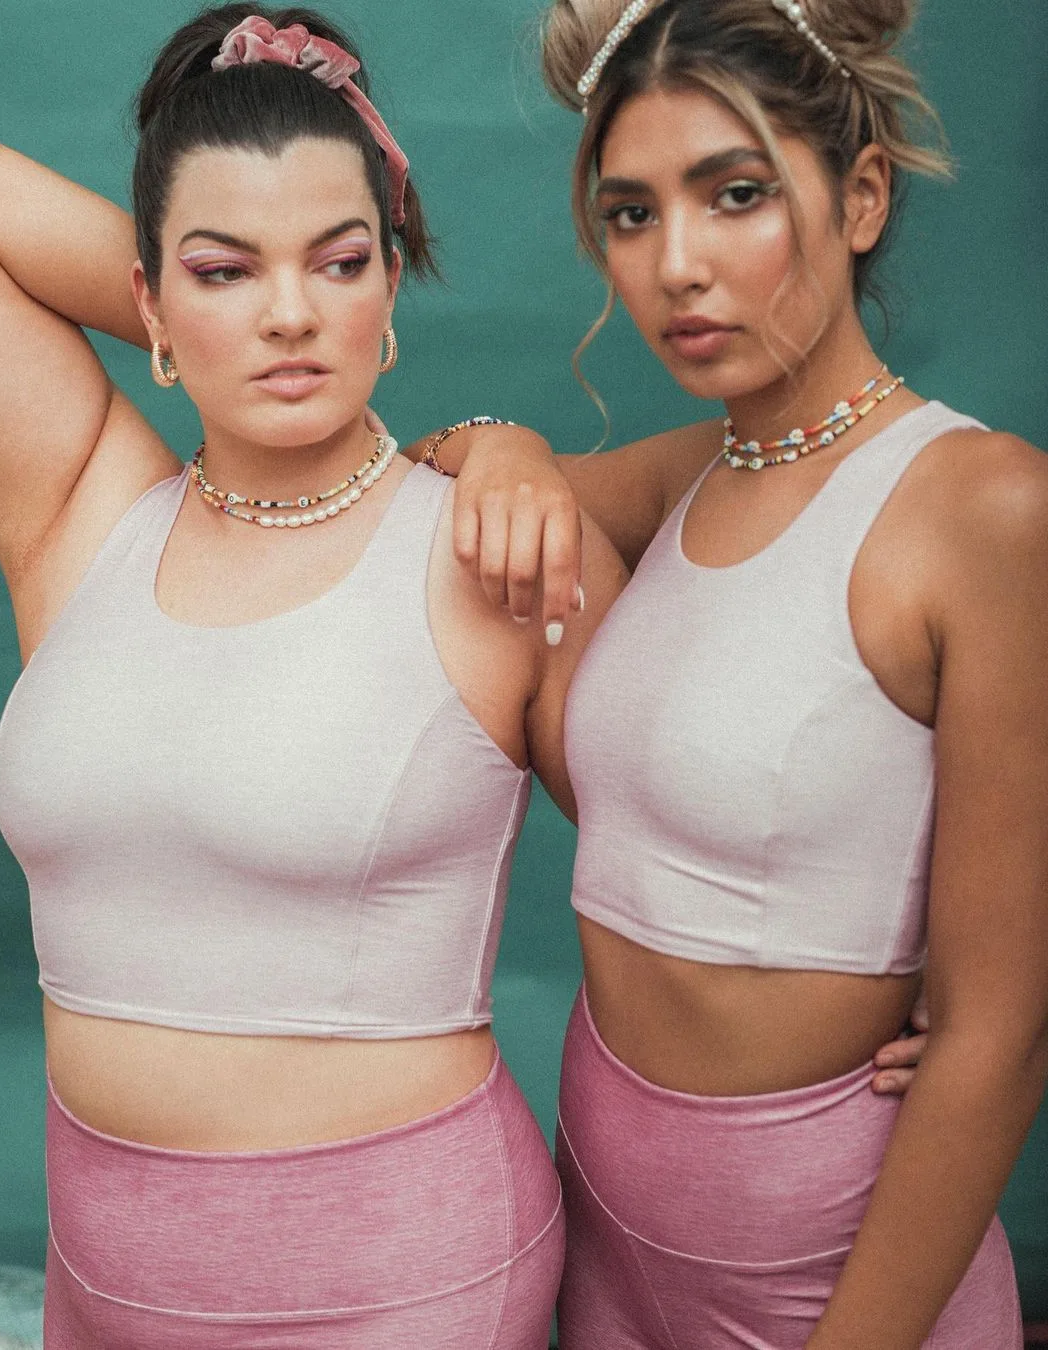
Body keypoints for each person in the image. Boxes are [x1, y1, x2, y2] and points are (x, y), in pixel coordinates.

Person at [0, 5, 628, 1345]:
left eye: (341, 262)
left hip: (403, 1279)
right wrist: (190, 260)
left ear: (393, 281)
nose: (288, 315)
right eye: (224, 273)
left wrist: (918, 997)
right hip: (103, 1282)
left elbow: (695, 853)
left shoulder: (493, 547)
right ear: (147, 301)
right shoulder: (83, 515)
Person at [431, 0, 1048, 1345]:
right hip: (607, 1247)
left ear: (861, 195)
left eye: (736, 193)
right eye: (632, 213)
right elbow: (437, 484)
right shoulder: (686, 478)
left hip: (831, 1280)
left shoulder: (979, 505)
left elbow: (999, 1038)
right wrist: (508, 444)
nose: (678, 264)